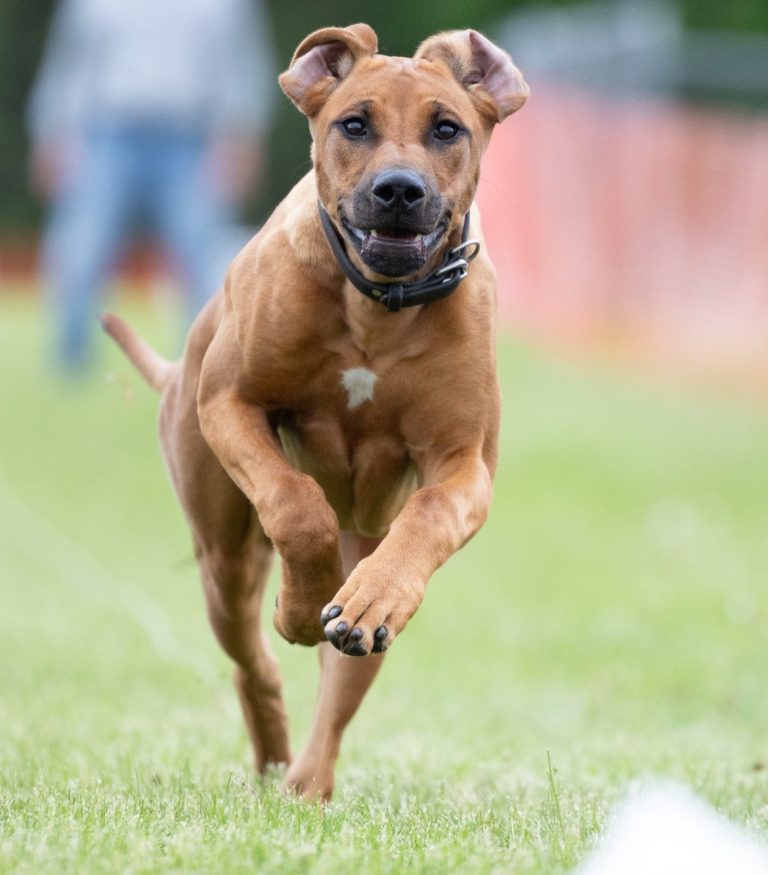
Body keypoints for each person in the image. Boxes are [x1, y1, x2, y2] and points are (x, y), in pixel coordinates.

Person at [27, 0, 276, 373]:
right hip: (106, 136)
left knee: (207, 259)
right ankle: (69, 368)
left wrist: (240, 137)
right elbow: (68, 67)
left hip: (191, 139)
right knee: (79, 251)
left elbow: (243, 66)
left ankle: (202, 374)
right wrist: (52, 133)